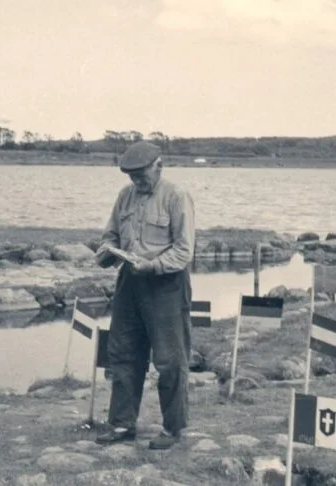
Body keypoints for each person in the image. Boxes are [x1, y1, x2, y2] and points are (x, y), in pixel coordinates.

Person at [94, 141, 195, 450]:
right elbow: (111, 235)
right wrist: (106, 252)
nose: (137, 181)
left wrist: (153, 265)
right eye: (132, 176)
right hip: (129, 282)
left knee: (170, 359)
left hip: (167, 284)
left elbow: (184, 250)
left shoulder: (177, 196)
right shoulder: (124, 196)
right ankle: (122, 424)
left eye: (141, 175)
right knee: (122, 352)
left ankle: (173, 428)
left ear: (159, 167)